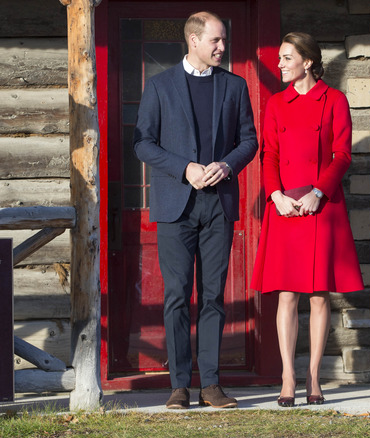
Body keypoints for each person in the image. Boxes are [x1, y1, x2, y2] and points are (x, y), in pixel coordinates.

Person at [134, 11, 258, 410]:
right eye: (216, 41)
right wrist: (184, 168)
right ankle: (179, 386)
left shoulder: (235, 86)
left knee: (212, 298)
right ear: (193, 40)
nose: (223, 47)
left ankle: (211, 386)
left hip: (218, 205)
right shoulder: (159, 86)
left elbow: (249, 140)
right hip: (175, 205)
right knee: (175, 297)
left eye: (224, 41)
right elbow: (143, 144)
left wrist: (227, 165)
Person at [250, 32, 364, 407]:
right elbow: (268, 155)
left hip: (320, 203)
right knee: (286, 294)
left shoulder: (335, 100)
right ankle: (288, 376)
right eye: (280, 58)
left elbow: (342, 155)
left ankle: (314, 378)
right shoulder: (276, 104)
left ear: (308, 61)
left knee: (318, 295)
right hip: (284, 206)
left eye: (286, 58)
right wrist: (275, 195)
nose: (280, 64)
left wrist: (318, 193)